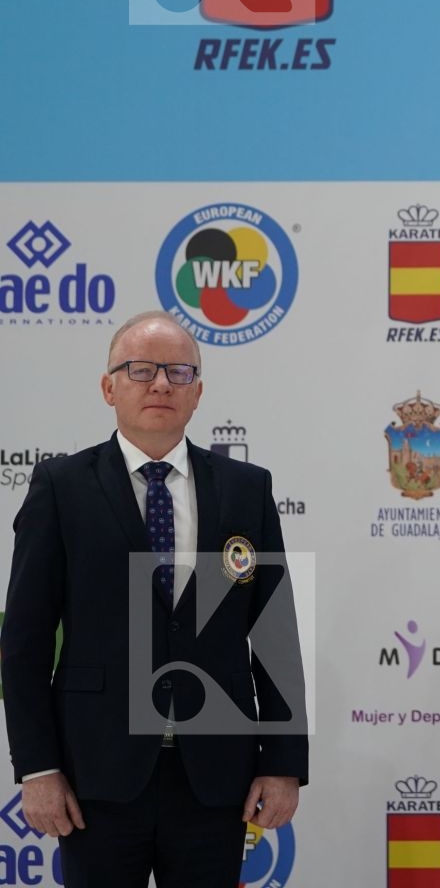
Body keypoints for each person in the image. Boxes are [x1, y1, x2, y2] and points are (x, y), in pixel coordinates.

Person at [2, 311, 306, 888]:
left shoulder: (247, 489)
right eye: (140, 370)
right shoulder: (61, 487)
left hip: (214, 778)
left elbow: (275, 637)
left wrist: (284, 764)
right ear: (108, 387)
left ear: (198, 392)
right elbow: (24, 643)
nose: (161, 383)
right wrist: (38, 767)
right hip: (95, 774)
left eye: (178, 371)